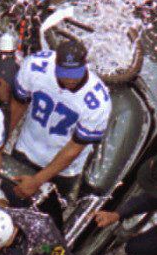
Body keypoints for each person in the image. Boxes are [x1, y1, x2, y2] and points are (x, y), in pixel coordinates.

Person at [6, 38, 111, 202]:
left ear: (85, 66)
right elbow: (17, 105)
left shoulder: (98, 103)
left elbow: (75, 147)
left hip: (64, 169)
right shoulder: (35, 66)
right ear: (55, 64)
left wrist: (37, 181)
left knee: (49, 210)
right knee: (9, 198)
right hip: (26, 148)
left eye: (74, 75)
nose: (69, 81)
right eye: (64, 75)